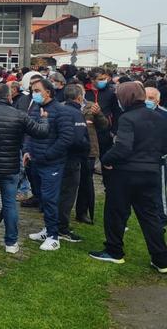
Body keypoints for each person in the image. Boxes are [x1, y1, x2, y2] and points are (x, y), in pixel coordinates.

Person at [90, 82, 167, 271]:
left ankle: (114, 251)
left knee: (116, 212)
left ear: (125, 98)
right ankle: (160, 258)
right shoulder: (161, 117)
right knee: (150, 216)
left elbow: (123, 147)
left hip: (125, 173)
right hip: (151, 172)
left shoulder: (127, 118)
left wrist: (107, 159)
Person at [0, 83, 49, 253]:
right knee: (9, 204)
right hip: (11, 165)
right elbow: (41, 132)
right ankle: (11, 243)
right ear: (9, 97)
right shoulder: (19, 115)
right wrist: (44, 118)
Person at [24, 78, 74, 251]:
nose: (34, 94)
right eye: (32, 90)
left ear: (48, 92)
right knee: (41, 197)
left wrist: (48, 154)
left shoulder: (62, 111)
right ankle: (48, 228)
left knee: (50, 198)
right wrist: (27, 151)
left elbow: (66, 138)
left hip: (52, 163)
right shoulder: (35, 109)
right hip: (35, 161)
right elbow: (29, 133)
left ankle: (54, 236)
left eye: (37, 90)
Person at [58, 83, 92, 243]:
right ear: (79, 97)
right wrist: (86, 149)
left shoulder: (58, 109)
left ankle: (53, 225)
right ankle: (62, 228)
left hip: (57, 159)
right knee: (67, 195)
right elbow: (79, 140)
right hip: (71, 160)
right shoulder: (76, 113)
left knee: (57, 194)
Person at [76, 88, 110, 224]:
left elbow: (104, 125)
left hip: (89, 148)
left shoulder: (91, 106)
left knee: (86, 181)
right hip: (72, 148)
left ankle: (82, 211)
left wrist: (99, 114)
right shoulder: (65, 106)